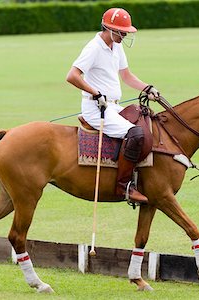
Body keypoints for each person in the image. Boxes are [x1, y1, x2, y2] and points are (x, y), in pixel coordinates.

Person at [66, 7, 160, 205]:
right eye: (122, 31)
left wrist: (147, 88)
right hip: (96, 109)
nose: (125, 34)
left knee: (145, 120)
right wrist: (94, 92)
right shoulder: (93, 48)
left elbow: (126, 76)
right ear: (109, 28)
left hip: (113, 107)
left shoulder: (117, 46)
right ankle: (124, 186)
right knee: (135, 134)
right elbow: (72, 76)